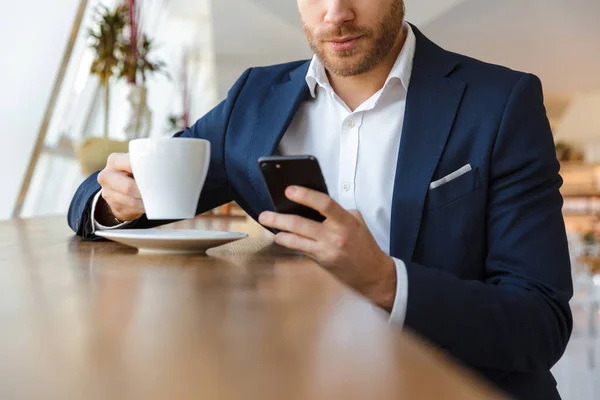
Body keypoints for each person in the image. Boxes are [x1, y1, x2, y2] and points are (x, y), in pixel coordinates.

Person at [68, 1, 573, 398]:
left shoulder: (501, 103)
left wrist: (383, 281)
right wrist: (117, 200)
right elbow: (103, 197)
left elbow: (540, 323)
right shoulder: (255, 98)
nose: (337, 13)